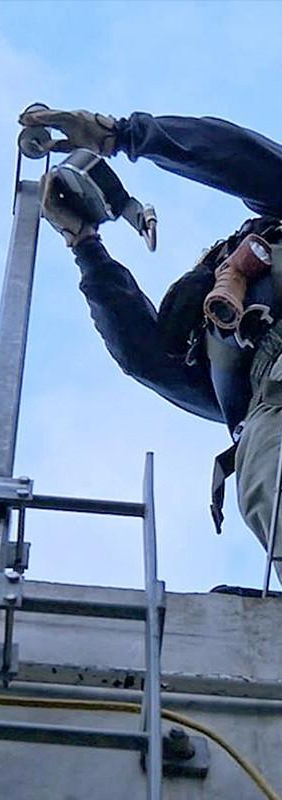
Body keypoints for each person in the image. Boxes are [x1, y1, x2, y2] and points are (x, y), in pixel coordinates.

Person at [18, 107, 282, 583]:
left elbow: (241, 158)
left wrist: (124, 136)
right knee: (268, 477)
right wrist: (86, 244)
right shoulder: (232, 374)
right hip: (268, 411)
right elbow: (147, 357)